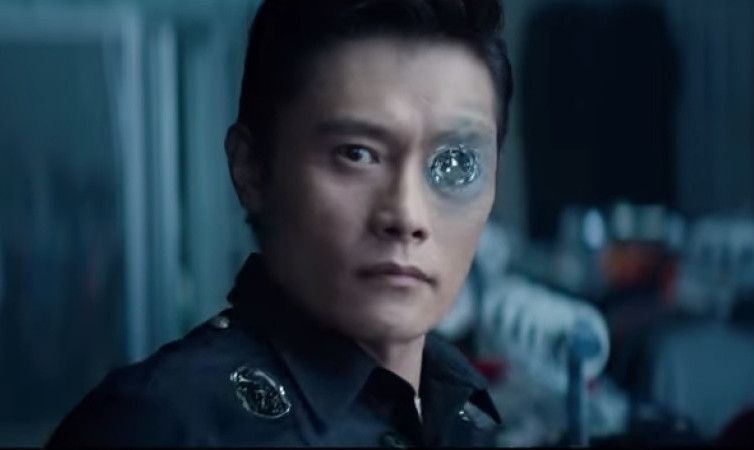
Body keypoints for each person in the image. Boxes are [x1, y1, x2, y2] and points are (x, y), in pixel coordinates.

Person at [46, 0, 513, 446]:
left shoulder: (469, 413)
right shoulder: (156, 427)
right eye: (356, 154)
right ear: (251, 169)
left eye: (457, 164)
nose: (408, 216)